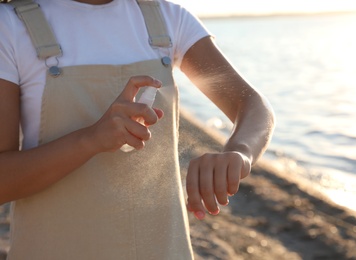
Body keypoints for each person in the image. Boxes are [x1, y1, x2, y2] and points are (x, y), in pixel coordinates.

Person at [0, 0, 275, 259]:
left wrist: (239, 153)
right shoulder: (10, 26)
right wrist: (90, 140)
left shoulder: (167, 18)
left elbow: (252, 106)